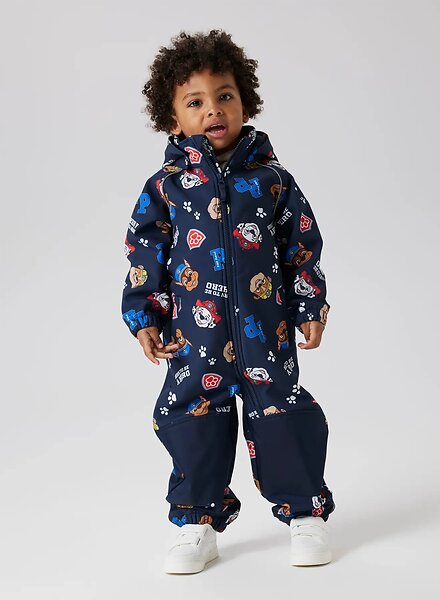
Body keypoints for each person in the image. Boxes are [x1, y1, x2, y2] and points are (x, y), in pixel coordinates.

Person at [121, 29, 336, 574]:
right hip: (195, 337)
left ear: (245, 103)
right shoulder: (165, 187)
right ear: (173, 120)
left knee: (283, 414)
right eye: (195, 102)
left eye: (224, 96)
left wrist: (310, 304)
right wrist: (144, 315)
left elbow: (300, 246)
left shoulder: (272, 181)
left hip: (268, 332)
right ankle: (196, 522)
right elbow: (144, 253)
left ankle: (305, 514)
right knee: (192, 420)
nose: (213, 109)